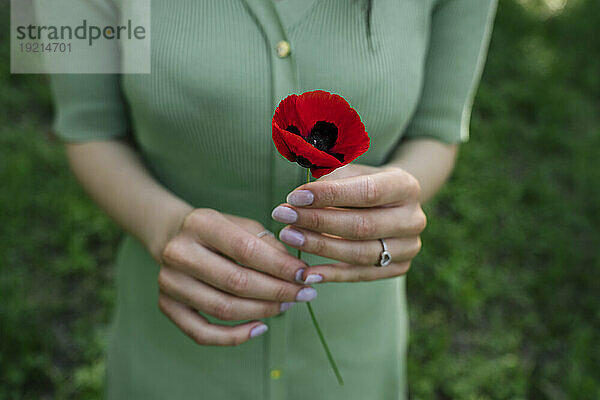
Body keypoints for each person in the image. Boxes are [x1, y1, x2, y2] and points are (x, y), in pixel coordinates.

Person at [46, 0, 497, 398]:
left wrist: (387, 203)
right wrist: (164, 227)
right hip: (174, 341)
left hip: (351, 346)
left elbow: (437, 133)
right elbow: (87, 129)